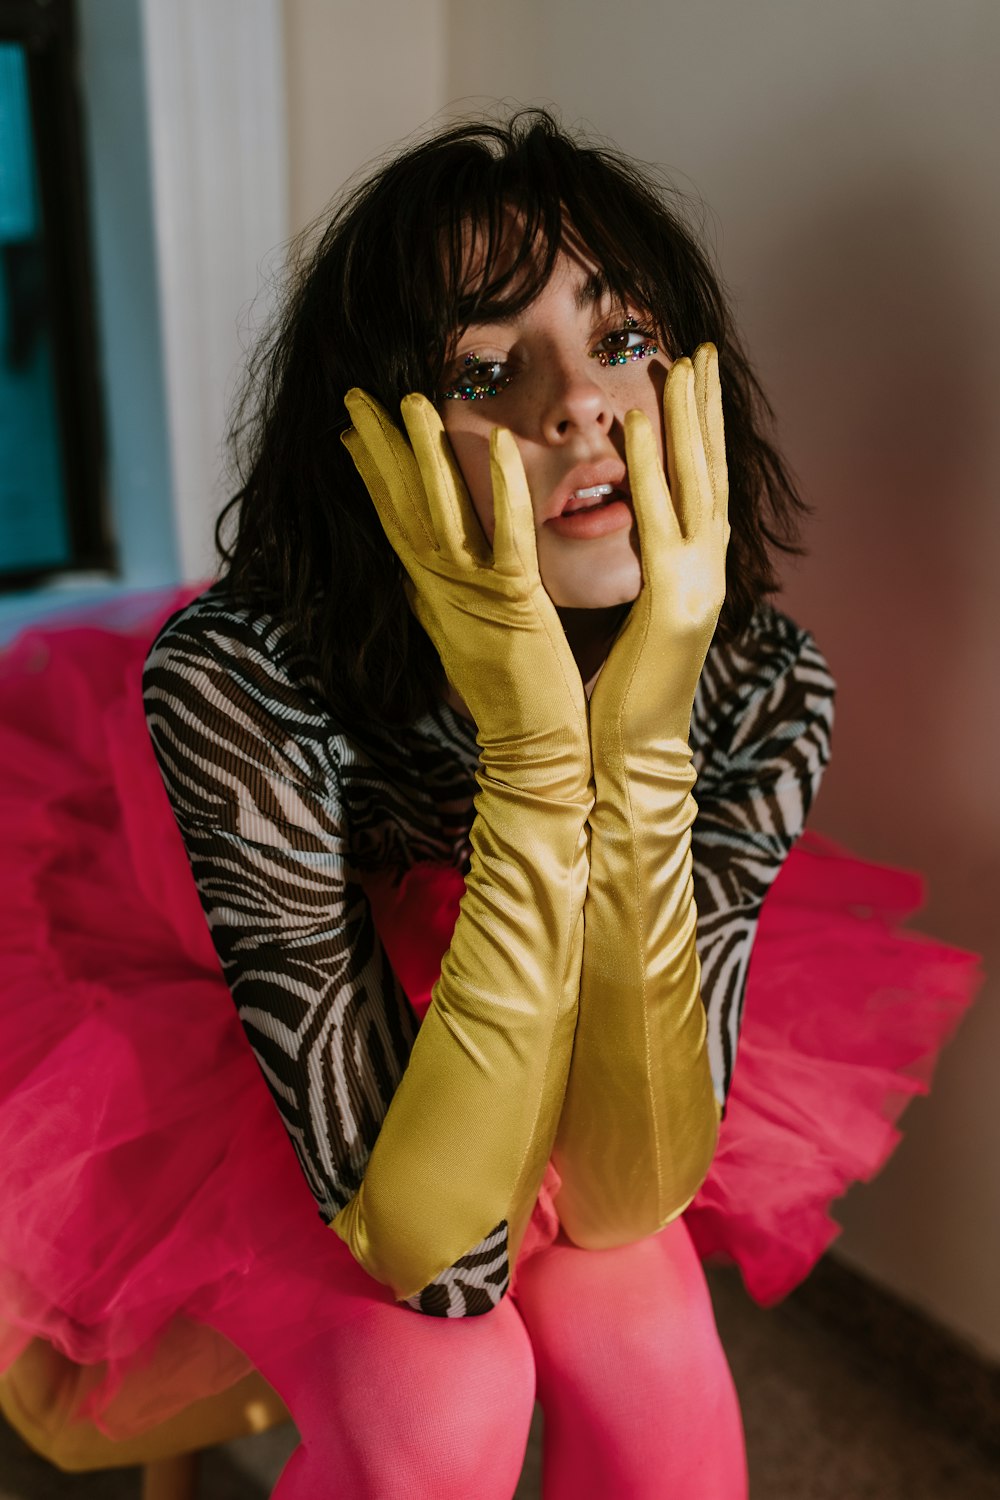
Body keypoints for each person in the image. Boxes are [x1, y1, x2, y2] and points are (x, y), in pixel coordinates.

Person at [0, 111, 980, 1498]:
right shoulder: (241, 683)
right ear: (374, 439)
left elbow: (633, 1191)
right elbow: (434, 1258)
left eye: (624, 342)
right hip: (247, 1068)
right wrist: (533, 748)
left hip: (566, 1081)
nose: (581, 404)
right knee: (444, 1385)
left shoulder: (759, 685)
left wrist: (635, 739)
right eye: (483, 367)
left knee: (649, 1354)